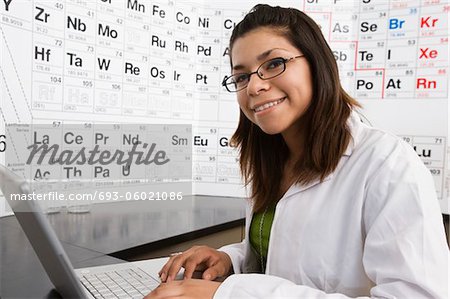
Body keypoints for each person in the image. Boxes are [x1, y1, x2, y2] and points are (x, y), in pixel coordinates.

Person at [145, 4, 449, 298]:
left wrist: (231, 293)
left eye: (273, 64)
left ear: (317, 65)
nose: (253, 87)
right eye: (241, 76)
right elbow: (277, 261)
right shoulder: (271, 160)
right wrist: (229, 260)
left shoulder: (387, 164)